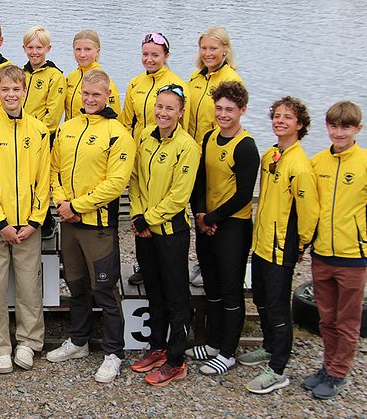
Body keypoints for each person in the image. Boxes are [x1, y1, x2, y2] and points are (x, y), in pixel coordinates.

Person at [47, 69, 135, 384]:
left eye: (97, 95)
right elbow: (53, 168)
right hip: (68, 222)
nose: (90, 99)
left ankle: (113, 353)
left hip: (97, 225)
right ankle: (79, 341)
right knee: (76, 285)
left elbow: (116, 183)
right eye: (86, 94)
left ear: (109, 95)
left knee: (105, 289)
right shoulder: (67, 128)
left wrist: (78, 206)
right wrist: (61, 203)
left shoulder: (118, 132)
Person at [0, 65, 51, 374]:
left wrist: (34, 221)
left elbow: (44, 179)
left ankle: (28, 343)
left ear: (24, 91)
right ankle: (0, 347)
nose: (10, 94)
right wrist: (0, 221)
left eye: (16, 89)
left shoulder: (40, 130)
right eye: (5, 89)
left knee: (29, 288)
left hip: (28, 227)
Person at [241, 96, 318, 394]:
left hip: (282, 245)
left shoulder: (300, 164)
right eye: (277, 116)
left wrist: (300, 244)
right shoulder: (271, 155)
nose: (280, 121)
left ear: (299, 124)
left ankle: (278, 369)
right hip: (261, 242)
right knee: (260, 298)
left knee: (276, 305)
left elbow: (309, 210)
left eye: (288, 117)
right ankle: (270, 347)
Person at [128, 84, 200, 386]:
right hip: (145, 230)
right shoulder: (144, 135)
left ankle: (176, 358)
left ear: (181, 112)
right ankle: (156, 347)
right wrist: (137, 215)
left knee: (175, 296)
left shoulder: (188, 147)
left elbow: (179, 196)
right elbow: (135, 179)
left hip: (171, 231)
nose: (163, 113)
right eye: (160, 106)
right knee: (153, 292)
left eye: (170, 108)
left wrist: (149, 218)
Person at [187, 81, 259, 375]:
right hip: (209, 222)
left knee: (231, 291)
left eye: (230, 109)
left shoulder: (246, 146)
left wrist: (213, 218)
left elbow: (243, 195)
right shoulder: (209, 137)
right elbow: (200, 180)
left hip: (233, 226)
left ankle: (228, 352)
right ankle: (214, 342)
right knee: (212, 287)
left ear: (242, 110)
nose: (223, 114)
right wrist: (200, 214)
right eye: (219, 108)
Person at [304, 101, 366, 399]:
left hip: (353, 256)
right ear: (326, 127)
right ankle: (327, 366)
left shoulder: (364, 163)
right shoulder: (317, 163)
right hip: (322, 254)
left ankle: (339, 372)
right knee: (326, 317)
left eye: (345, 127)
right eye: (333, 126)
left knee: (347, 319)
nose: (338, 132)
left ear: (358, 129)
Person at [120, 32, 188, 286]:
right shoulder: (136, 83)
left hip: (168, 154)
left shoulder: (178, 85)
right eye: (145, 54)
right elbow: (127, 122)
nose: (149, 59)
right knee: (139, 205)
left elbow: (186, 126)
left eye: (155, 55)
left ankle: (165, 263)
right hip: (141, 155)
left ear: (166, 56)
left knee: (160, 204)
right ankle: (142, 263)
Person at [186, 25, 243, 287]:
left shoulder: (230, 80)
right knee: (197, 205)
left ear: (225, 50)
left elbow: (230, 118)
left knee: (212, 204)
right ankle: (201, 258)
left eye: (213, 48)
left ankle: (211, 261)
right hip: (192, 153)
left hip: (215, 151)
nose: (208, 53)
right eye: (204, 48)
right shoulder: (195, 78)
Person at [63, 29, 120, 121]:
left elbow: (116, 117)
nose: (82, 54)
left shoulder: (104, 81)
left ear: (97, 51)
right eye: (78, 49)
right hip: (70, 131)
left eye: (87, 49)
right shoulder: (71, 77)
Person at [22, 25, 66, 138]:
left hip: (40, 134)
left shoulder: (55, 76)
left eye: (39, 47)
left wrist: (39, 133)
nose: (34, 52)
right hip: (19, 131)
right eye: (30, 47)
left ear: (48, 48)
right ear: (24, 48)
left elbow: (54, 113)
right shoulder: (21, 74)